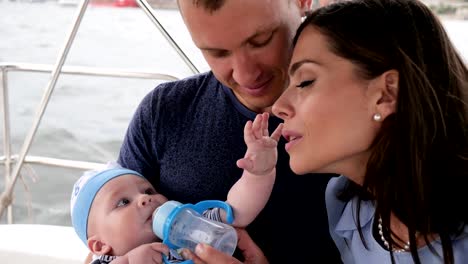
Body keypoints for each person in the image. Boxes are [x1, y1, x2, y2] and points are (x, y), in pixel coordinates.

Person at [181, 0, 468, 263]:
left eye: (305, 82)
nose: (278, 106)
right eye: (217, 52)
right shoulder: (348, 209)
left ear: (385, 94)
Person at [117, 0, 341, 262]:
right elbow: (105, 240)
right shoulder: (163, 112)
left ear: (302, 3)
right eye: (217, 53)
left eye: (261, 40)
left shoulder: (361, 114)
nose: (246, 75)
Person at [71, 113, 282, 263]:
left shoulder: (189, 225)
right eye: (123, 202)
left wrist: (258, 173)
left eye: (148, 191)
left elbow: (237, 210)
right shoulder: (108, 260)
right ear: (100, 247)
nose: (145, 199)